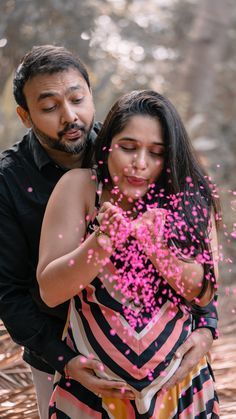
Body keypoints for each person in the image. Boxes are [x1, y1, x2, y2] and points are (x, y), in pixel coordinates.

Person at [37, 90, 220, 418]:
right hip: (91, 399)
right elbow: (51, 291)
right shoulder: (80, 188)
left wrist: (159, 251)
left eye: (156, 153)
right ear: (107, 145)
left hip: (180, 394)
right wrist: (101, 241)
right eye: (128, 147)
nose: (140, 163)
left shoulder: (188, 198)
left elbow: (204, 294)